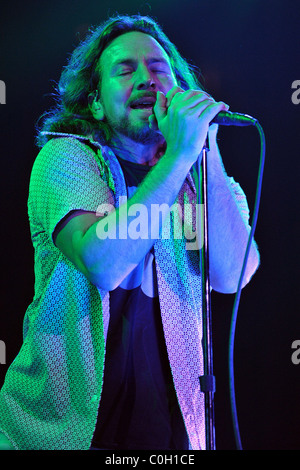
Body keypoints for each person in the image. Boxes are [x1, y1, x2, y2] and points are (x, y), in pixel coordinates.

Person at [0, 14, 259, 450]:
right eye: (126, 70)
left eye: (160, 69)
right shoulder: (66, 159)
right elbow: (104, 264)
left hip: (175, 437)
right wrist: (178, 156)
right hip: (58, 435)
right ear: (97, 102)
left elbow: (234, 274)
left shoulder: (198, 174)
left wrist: (205, 150)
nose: (147, 79)